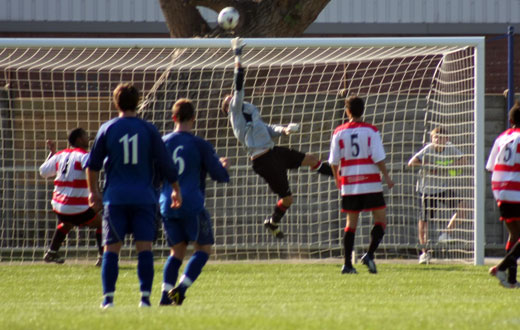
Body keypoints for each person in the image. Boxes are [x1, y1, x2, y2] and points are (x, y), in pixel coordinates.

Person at [221, 38, 333, 239]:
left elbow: (266, 128)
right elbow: (238, 86)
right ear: (228, 107)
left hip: (274, 152)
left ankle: (339, 177)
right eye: (228, 100)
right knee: (287, 199)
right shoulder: (235, 113)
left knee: (311, 158)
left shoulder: (249, 110)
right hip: (263, 160)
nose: (231, 97)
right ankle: (273, 221)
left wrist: (284, 129)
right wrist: (237, 55)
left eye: (230, 97)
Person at [86, 83, 182, 308]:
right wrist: (176, 188)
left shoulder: (107, 128)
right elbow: (166, 163)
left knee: (111, 249)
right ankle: (145, 299)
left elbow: (92, 166)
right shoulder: (149, 129)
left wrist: (94, 193)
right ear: (138, 102)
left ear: (115, 102)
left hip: (115, 198)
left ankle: (108, 300)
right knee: (144, 249)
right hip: (144, 198)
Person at [158, 99, 229, 306]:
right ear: (194, 118)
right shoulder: (199, 144)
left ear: (173, 118)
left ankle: (165, 295)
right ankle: (181, 289)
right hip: (192, 203)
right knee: (203, 249)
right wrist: (224, 167)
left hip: (166, 204)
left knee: (176, 253)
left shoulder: (161, 143)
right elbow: (219, 175)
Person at [328, 95, 394, 274]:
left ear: (347, 111)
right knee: (380, 220)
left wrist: (337, 178)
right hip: (371, 182)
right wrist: (386, 176)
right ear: (362, 110)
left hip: (349, 184)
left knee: (351, 224)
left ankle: (347, 265)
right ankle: (369, 254)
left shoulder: (338, 132)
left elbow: (333, 161)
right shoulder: (371, 131)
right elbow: (378, 157)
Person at [39, 128, 103, 265]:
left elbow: (43, 172)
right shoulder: (84, 156)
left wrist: (52, 153)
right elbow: (91, 167)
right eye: (86, 136)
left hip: (58, 207)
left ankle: (52, 252)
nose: (88, 138)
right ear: (79, 139)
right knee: (102, 223)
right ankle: (103, 257)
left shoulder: (60, 155)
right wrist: (95, 192)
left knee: (67, 223)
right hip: (77, 208)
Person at [407, 127, 467, 264]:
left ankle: (446, 234)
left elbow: (464, 161)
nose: (438, 140)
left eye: (441, 137)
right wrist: (428, 165)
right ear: (432, 139)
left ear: (447, 139)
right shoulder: (428, 149)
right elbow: (411, 162)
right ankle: (424, 253)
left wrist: (450, 166)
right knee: (424, 221)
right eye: (435, 137)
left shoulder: (450, 149)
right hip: (427, 190)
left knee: (463, 208)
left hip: (443, 188)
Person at [486, 101, 520, 288]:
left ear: (510, 120)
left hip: (500, 190)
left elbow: (490, 166)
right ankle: (501, 268)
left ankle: (511, 279)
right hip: (516, 189)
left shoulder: (502, 137)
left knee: (514, 234)